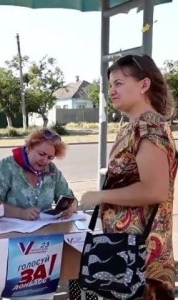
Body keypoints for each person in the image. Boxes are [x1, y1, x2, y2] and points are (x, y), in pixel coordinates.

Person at [80, 54, 177, 299]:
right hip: (126, 256)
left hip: (141, 263)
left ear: (144, 85)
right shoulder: (134, 126)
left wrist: (99, 196)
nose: (111, 91)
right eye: (110, 85)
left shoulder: (149, 127)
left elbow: (154, 190)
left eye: (119, 84)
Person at [0, 127, 77, 220]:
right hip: (10, 230)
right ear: (29, 148)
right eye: (41, 154)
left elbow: (70, 198)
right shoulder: (7, 166)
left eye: (50, 157)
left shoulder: (52, 170)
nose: (44, 161)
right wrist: (20, 213)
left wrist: (70, 207)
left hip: (45, 230)